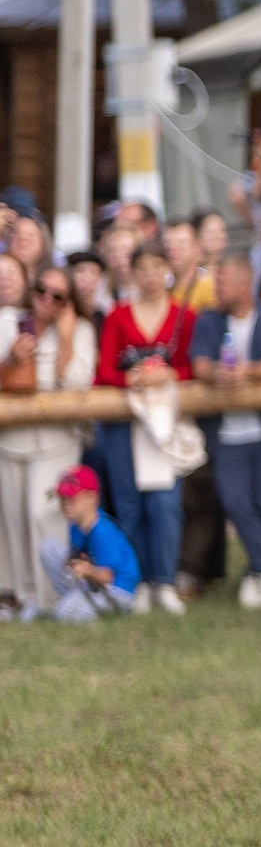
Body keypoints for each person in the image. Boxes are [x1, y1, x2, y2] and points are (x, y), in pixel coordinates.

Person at [189, 252, 261, 611]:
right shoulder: (208, 321)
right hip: (227, 435)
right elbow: (200, 363)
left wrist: (245, 373)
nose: (214, 289)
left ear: (241, 284)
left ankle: (257, 574)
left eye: (220, 282)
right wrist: (218, 374)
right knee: (236, 502)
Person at [93, 245, 191, 614]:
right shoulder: (118, 317)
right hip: (124, 424)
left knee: (165, 504)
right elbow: (103, 372)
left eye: (157, 267)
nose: (151, 276)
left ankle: (164, 581)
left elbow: (193, 367)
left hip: (164, 423)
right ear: (132, 273)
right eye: (143, 268)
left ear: (168, 269)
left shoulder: (186, 316)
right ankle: (136, 582)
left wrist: (170, 374)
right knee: (129, 503)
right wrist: (128, 379)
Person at [0, 263, 96, 620]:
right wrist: (12, 358)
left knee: (44, 514)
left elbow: (76, 384)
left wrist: (66, 337)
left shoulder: (81, 330)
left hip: (57, 439)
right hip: (10, 438)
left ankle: (51, 598)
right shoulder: (7, 321)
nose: (46, 300)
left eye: (58, 296)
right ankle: (22, 596)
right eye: (42, 290)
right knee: (13, 518)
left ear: (68, 302)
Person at [34, 467, 139, 622]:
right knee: (48, 547)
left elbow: (108, 577)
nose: (65, 505)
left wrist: (88, 570)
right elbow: (76, 553)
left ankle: (84, 607)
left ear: (92, 498)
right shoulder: (75, 524)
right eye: (62, 499)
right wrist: (74, 562)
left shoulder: (103, 531)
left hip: (116, 592)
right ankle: (74, 599)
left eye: (71, 499)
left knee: (63, 614)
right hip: (91, 584)